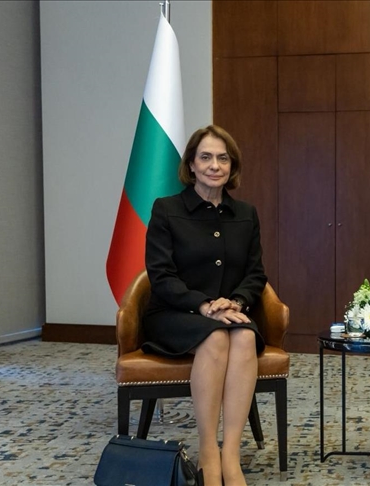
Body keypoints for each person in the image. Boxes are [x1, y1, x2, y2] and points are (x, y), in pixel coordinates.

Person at [141, 125, 267, 486]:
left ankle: (231, 455)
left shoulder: (245, 214)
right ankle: (208, 451)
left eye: (223, 158)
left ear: (232, 166)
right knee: (215, 338)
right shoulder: (167, 209)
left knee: (244, 336)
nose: (215, 165)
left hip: (228, 314)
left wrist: (237, 300)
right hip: (174, 314)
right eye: (206, 157)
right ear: (191, 165)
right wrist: (203, 304)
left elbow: (256, 274)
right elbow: (161, 275)